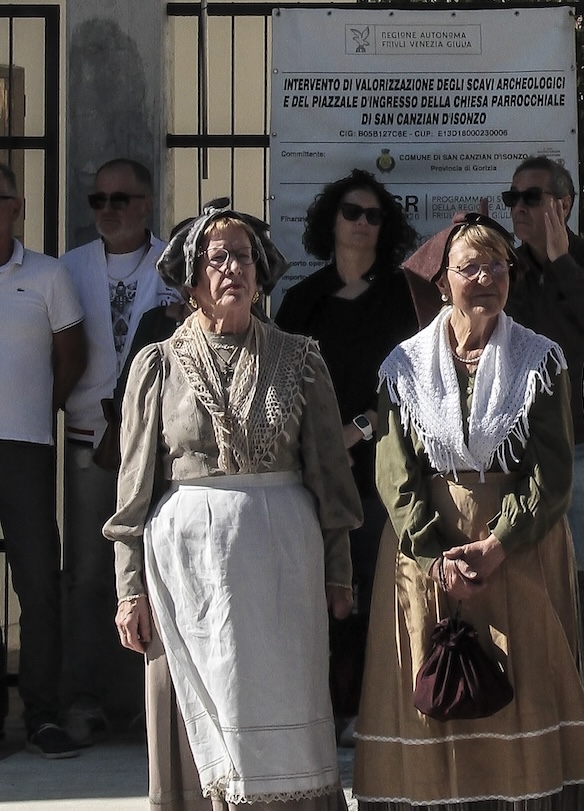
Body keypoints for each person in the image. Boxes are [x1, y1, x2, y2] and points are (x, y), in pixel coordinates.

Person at [103, 199, 361, 809]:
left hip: (281, 568)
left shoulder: (301, 360)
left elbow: (330, 476)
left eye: (242, 257)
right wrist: (129, 588)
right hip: (183, 568)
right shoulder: (158, 365)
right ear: (192, 279)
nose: (232, 270)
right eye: (216, 259)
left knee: (283, 705)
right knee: (186, 708)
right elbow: (134, 490)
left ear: (261, 270)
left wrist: (339, 569)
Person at [354, 212, 584, 809]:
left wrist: (496, 545)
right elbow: (394, 471)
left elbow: (552, 471)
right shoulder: (406, 367)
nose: (487, 278)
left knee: (525, 680)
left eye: (499, 265)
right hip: (427, 550)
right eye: (471, 267)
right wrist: (435, 551)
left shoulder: (538, 361)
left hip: (518, 547)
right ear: (442, 282)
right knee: (434, 677)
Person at [275, 169, 420, 744]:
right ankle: (321, 710)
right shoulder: (302, 300)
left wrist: (356, 429)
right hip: (311, 471)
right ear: (329, 221)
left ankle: (372, 707)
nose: (362, 224)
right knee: (320, 594)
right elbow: (280, 383)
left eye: (374, 215)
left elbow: (417, 384)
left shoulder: (405, 297)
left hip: (383, 467)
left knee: (375, 589)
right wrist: (321, 442)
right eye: (351, 213)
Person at [501, 155, 584, 706]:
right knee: (529, 587)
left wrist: (560, 264)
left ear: (564, 204)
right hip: (521, 453)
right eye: (513, 199)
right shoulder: (507, 268)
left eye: (532, 198)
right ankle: (542, 705)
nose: (520, 209)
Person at [60, 157, 180, 745]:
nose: (109, 209)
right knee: (86, 575)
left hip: (153, 447)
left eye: (121, 199)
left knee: (153, 574)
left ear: (146, 204)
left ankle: (145, 702)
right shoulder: (67, 268)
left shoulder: (173, 269)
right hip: (90, 440)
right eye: (99, 200)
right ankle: (83, 699)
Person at [0, 162, 87, 758]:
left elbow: (71, 359)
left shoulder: (49, 276)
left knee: (38, 586)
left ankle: (42, 715)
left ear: (18, 205)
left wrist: (38, 410)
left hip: (25, 448)